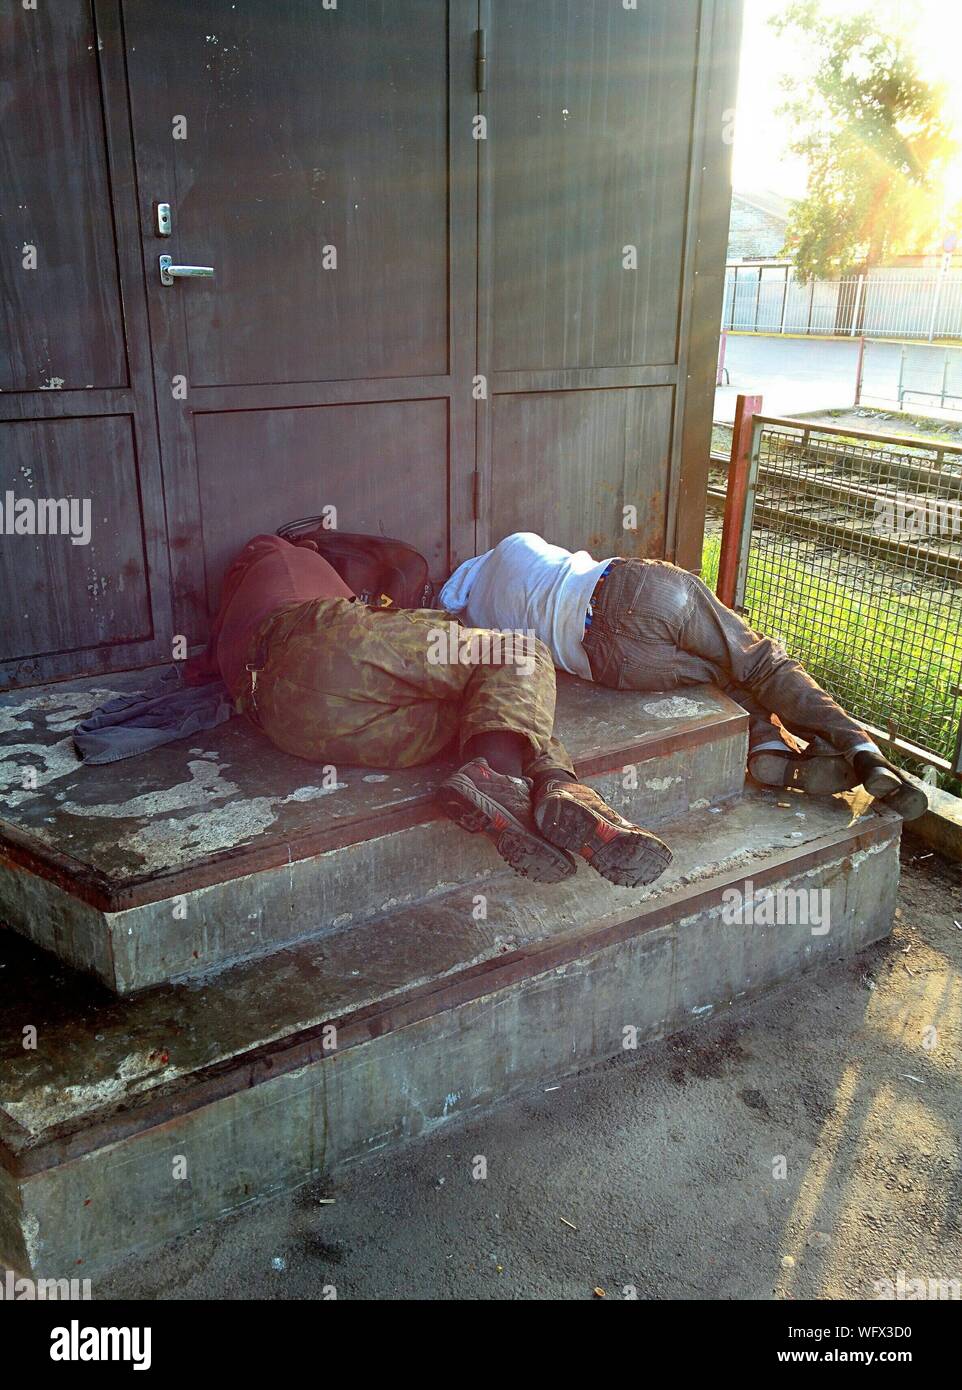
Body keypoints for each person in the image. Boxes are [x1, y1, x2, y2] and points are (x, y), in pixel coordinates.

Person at [185, 534, 673, 888]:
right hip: (314, 640)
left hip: (285, 722)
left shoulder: (234, 613)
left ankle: (552, 787)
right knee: (518, 654)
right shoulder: (281, 553)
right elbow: (374, 603)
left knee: (484, 713)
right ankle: (514, 776)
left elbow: (202, 669)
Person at [439, 532, 927, 820]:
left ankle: (767, 746)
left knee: (720, 680)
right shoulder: (511, 545)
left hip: (612, 662)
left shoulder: (480, 621)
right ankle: (862, 749)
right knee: (758, 662)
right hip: (633, 589)